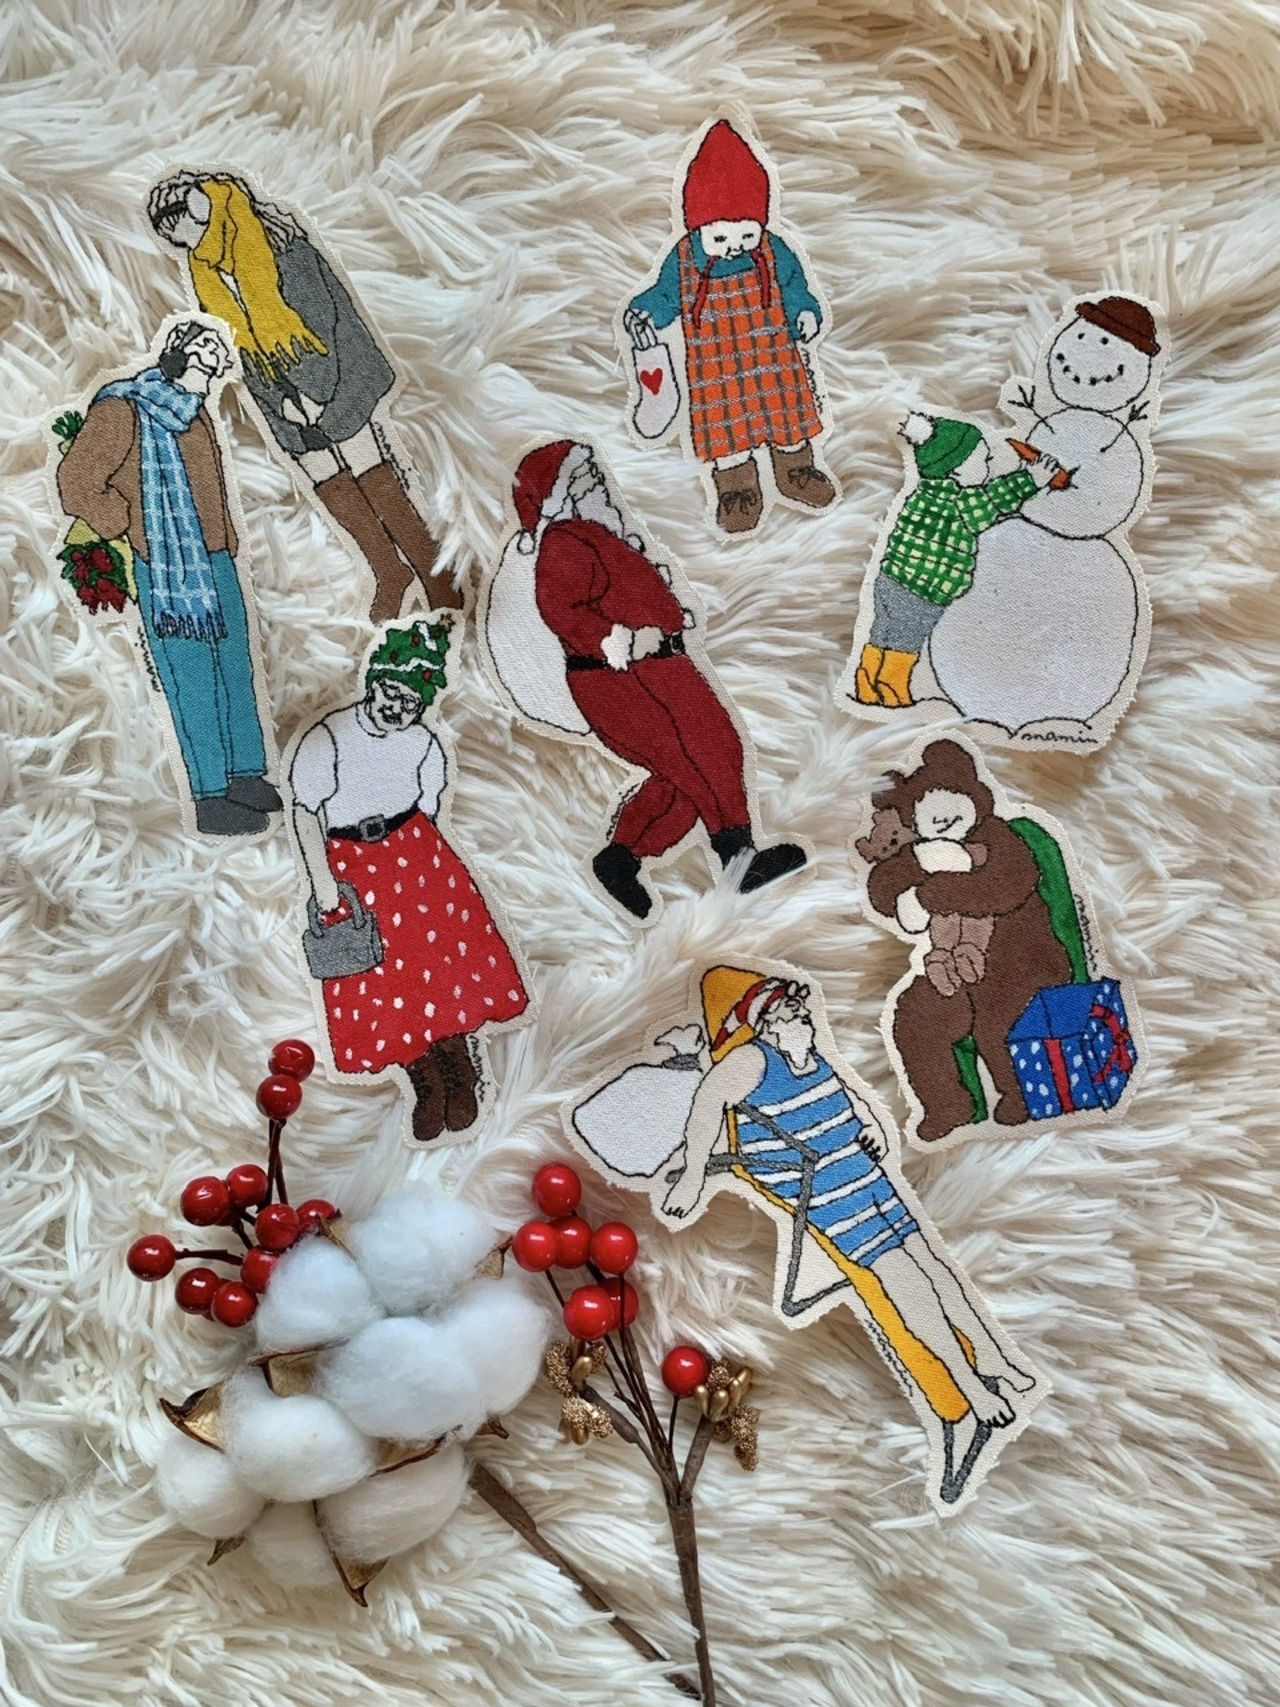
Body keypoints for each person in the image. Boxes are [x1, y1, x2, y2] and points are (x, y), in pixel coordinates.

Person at [662, 969, 1035, 1496]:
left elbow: (851, 1098)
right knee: (909, 1290)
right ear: (766, 1024)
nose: (801, 1014)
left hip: (871, 1180)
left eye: (798, 1006)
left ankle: (994, 1361)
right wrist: (695, 1175)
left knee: (936, 1272)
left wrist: (875, 1129)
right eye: (788, 1010)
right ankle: (971, 1392)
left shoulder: (810, 1055)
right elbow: (707, 1104)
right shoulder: (751, 1062)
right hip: (836, 1203)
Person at [507, 440, 807, 919]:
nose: (593, 482)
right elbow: (561, 611)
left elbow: (637, 593)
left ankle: (621, 859)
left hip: (659, 666)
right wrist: (616, 639)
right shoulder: (566, 540)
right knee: (705, 752)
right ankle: (738, 859)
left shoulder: (606, 533)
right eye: (580, 478)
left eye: (591, 475)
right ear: (559, 492)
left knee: (686, 774)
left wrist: (671, 617)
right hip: (621, 675)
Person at [147, 172, 460, 621]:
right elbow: (239, 350)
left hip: (338, 374)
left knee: (367, 461)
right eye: (175, 239)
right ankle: (387, 570)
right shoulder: (205, 275)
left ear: (202, 209)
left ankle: (433, 573)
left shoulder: (279, 245)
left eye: (184, 229)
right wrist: (283, 404)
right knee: (323, 472)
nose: (185, 243)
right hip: (280, 396)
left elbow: (326, 318)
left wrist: (317, 393)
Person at [288, 620, 527, 1142]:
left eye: (411, 702)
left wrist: (421, 863)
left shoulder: (423, 743)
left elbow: (432, 805)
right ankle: (424, 1083)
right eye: (392, 694)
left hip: (416, 859)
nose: (398, 708)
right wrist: (322, 881)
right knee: (383, 981)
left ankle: (461, 1073)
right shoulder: (328, 737)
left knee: (436, 968)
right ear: (375, 683)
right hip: (352, 866)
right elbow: (305, 811)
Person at [56, 319, 279, 836]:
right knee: (192, 676)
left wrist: (229, 542)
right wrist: (127, 522)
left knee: (234, 664)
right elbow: (77, 482)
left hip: (216, 560)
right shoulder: (125, 408)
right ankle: (209, 793)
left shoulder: (195, 411)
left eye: (217, 352)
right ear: (178, 354)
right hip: (166, 569)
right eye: (205, 349)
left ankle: (244, 772)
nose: (214, 359)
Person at [625, 120, 835, 534]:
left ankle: (796, 470)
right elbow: (664, 295)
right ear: (699, 227)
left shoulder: (774, 250)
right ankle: (737, 490)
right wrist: (645, 311)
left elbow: (796, 286)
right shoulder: (684, 258)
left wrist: (805, 312)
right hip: (716, 371)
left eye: (747, 234)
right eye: (721, 238)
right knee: (727, 435)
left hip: (774, 360)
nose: (735, 247)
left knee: (787, 419)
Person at [852, 414, 1060, 709]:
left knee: (882, 631)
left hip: (891, 577)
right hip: (922, 589)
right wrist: (1032, 478)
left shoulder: (924, 494)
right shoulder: (959, 502)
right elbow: (995, 500)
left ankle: (866, 681)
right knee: (907, 637)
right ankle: (892, 685)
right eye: (984, 460)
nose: (989, 465)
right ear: (956, 470)